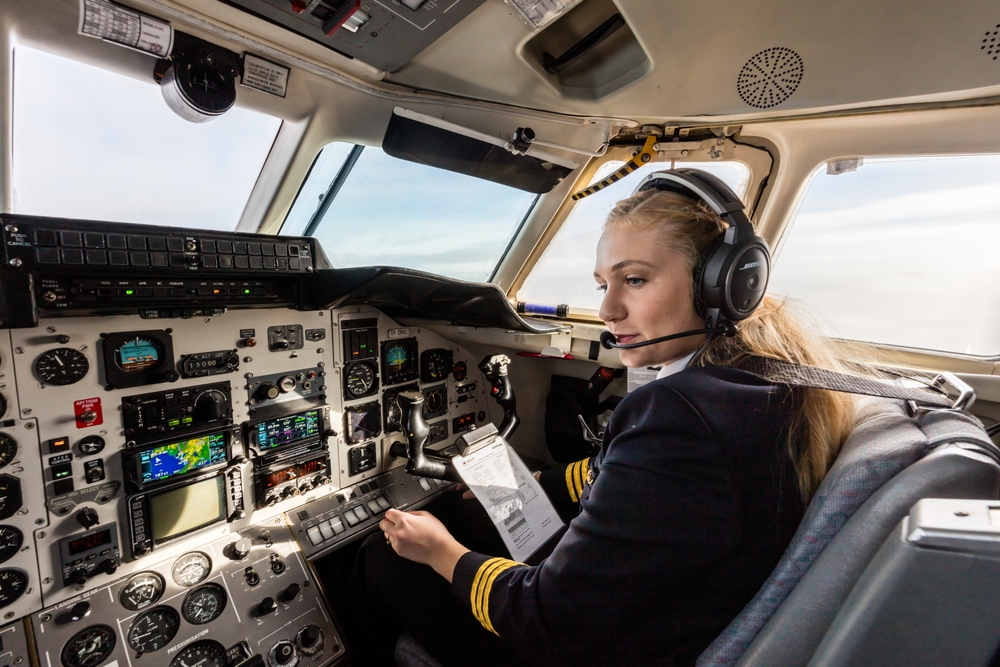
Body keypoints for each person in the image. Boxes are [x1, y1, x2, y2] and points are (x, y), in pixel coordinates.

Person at [354, 185, 860, 667]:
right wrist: (535, 484)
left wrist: (441, 552)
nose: (607, 310)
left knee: (383, 554)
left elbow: (547, 619)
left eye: (635, 279)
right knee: (475, 509)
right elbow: (637, 482)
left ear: (721, 283)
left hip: (589, 645)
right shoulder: (760, 379)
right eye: (603, 284)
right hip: (669, 613)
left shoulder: (685, 412)